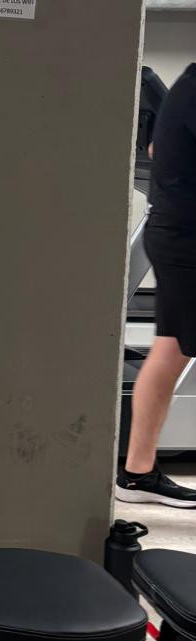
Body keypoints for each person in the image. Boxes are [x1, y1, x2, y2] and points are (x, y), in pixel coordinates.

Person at [118, 61, 196, 508]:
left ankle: (137, 474)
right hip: (187, 241)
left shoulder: (187, 86)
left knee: (168, 352)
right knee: (171, 352)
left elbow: (154, 147)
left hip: (177, 234)